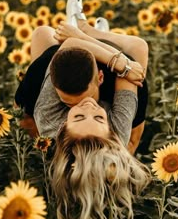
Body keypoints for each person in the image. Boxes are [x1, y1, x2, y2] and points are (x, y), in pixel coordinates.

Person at [15, 19, 148, 154]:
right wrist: (123, 65)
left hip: (60, 60)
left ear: (64, 127)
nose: (89, 107)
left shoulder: (50, 119)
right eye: (99, 118)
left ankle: (89, 35)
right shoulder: (118, 135)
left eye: (79, 116)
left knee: (42, 33)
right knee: (139, 47)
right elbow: (130, 70)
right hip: (111, 77)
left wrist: (77, 38)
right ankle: (96, 34)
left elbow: (69, 45)